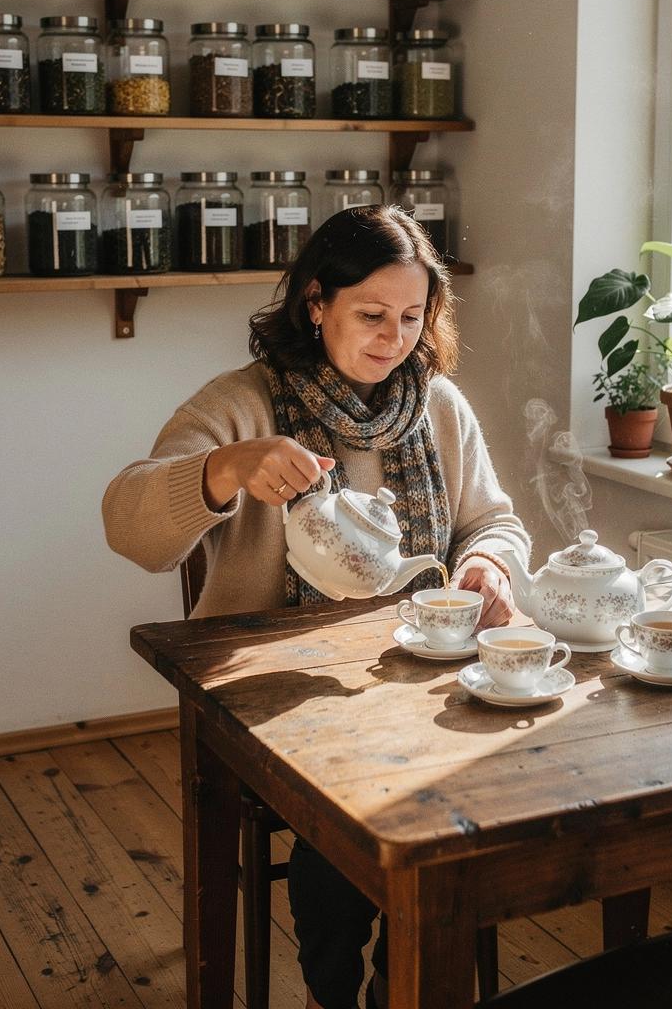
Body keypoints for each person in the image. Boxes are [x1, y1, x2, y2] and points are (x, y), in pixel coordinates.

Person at [103, 204, 531, 1009]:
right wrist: (223, 470)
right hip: (274, 698)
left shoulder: (437, 405)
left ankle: (395, 985)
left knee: (473, 797)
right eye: (371, 314)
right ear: (314, 303)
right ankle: (343, 987)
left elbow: (495, 520)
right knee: (363, 811)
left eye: (412, 316)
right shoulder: (243, 404)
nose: (394, 337)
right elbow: (128, 525)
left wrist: (487, 562)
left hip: (417, 679)